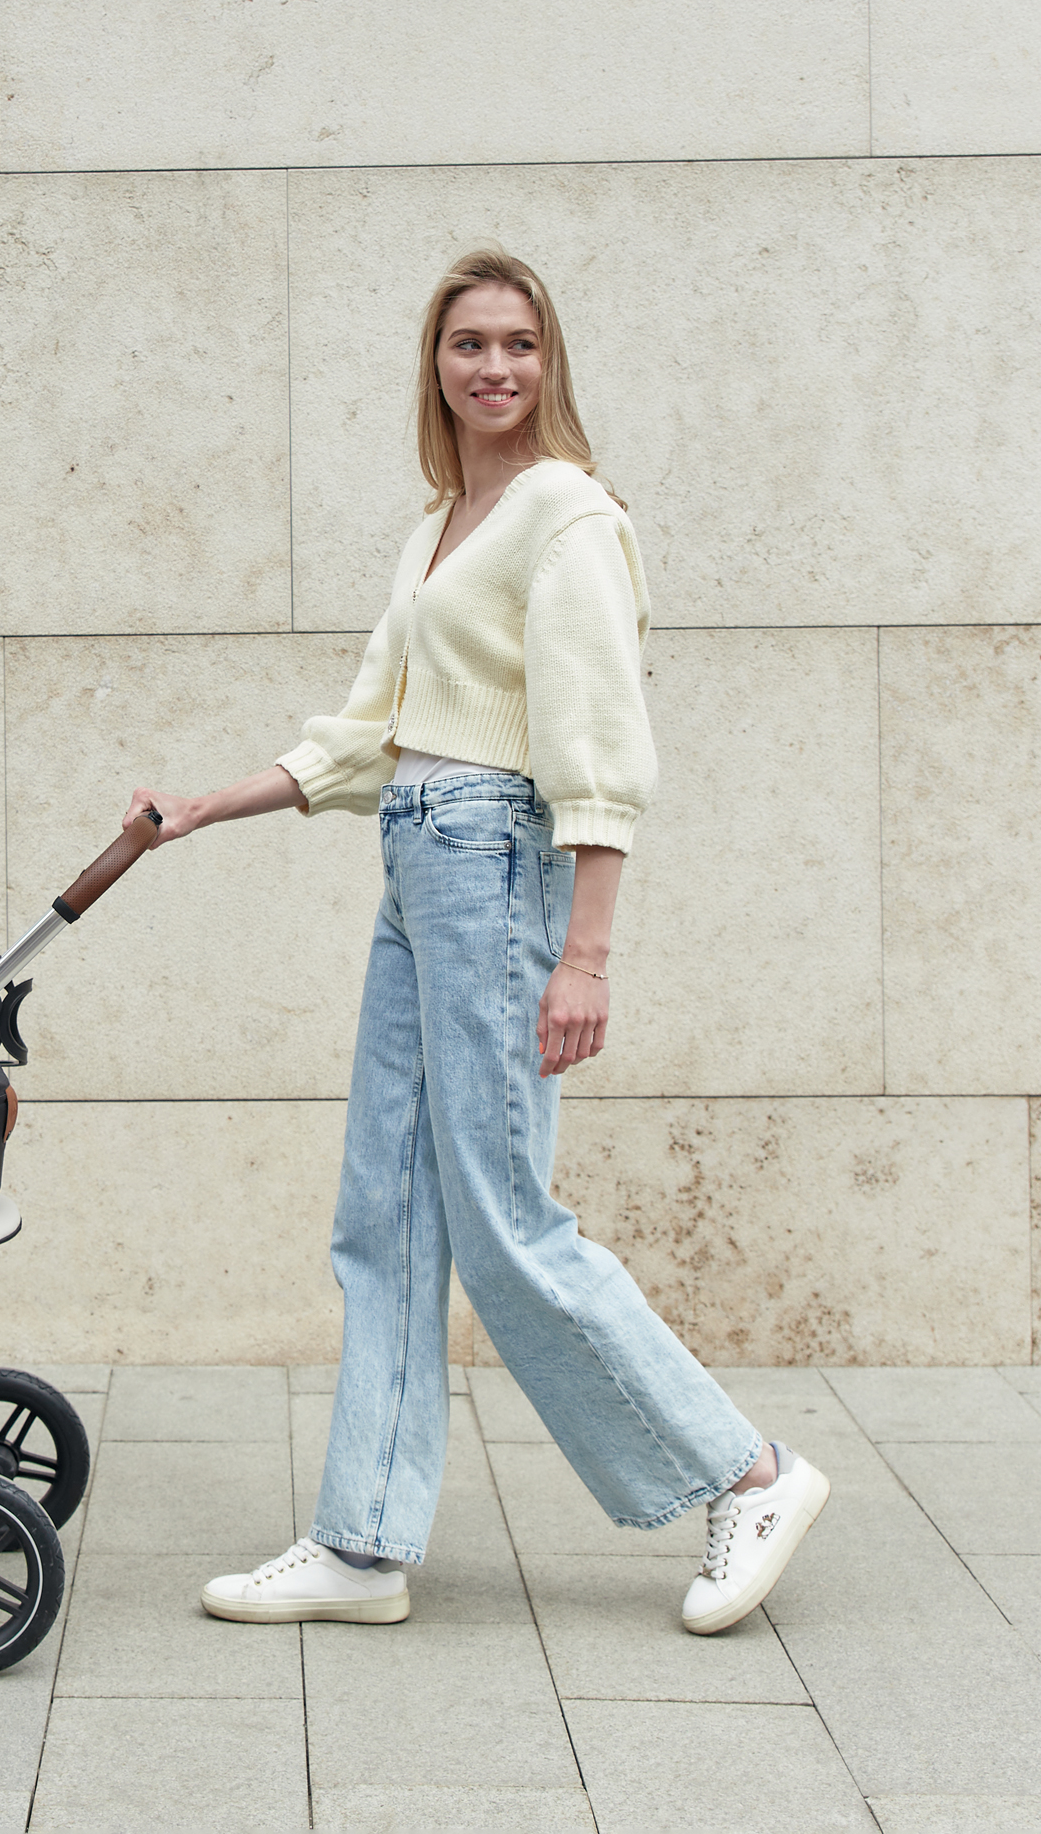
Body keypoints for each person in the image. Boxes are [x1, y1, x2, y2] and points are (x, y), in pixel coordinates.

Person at [125, 249, 827, 1637]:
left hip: (501, 860)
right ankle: (362, 1541)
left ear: (547, 361)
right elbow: (372, 731)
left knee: (505, 1216)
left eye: (516, 343)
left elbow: (600, 743)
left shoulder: (564, 513)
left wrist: (590, 953)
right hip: (421, 854)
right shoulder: (445, 518)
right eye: (467, 345)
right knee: (383, 1211)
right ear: (433, 366)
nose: (492, 367)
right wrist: (210, 802)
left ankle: (749, 1470)